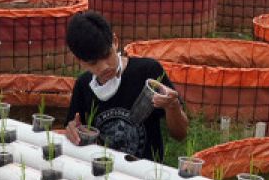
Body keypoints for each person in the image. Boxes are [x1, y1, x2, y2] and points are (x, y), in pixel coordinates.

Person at [63, 10, 188, 162]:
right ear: (79, 61)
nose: (104, 67)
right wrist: (72, 130)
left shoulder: (147, 72)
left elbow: (180, 134)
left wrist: (173, 106)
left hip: (145, 172)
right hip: (104, 172)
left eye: (106, 55)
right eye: (93, 63)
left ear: (115, 42)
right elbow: (74, 129)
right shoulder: (84, 86)